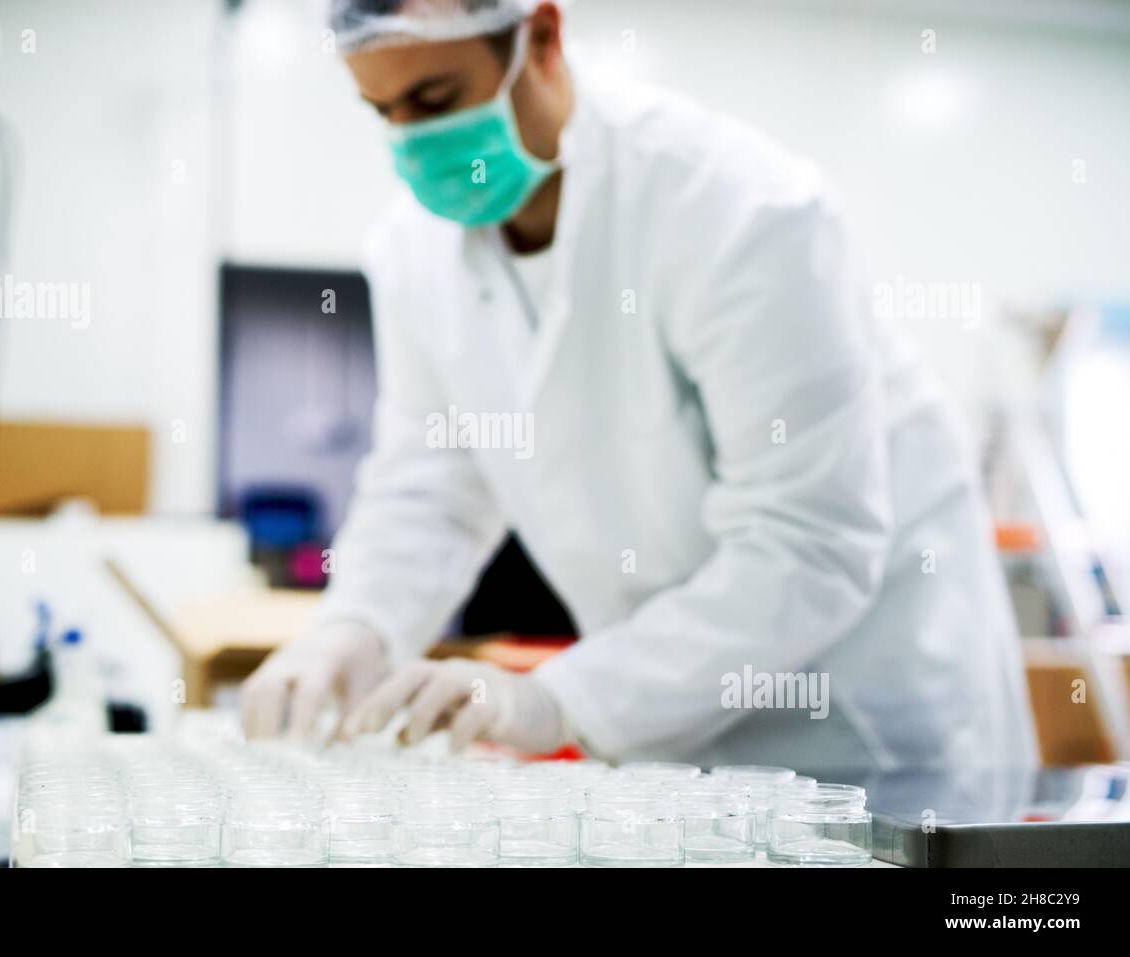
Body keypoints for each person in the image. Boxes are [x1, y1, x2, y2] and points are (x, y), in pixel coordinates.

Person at [240, 0, 1037, 770]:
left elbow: (809, 544)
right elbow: (432, 486)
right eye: (383, 112)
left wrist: (558, 699)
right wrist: (354, 628)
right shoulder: (414, 252)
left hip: (863, 729)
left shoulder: (738, 210)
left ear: (543, 36)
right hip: (667, 740)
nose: (413, 141)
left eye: (436, 98)